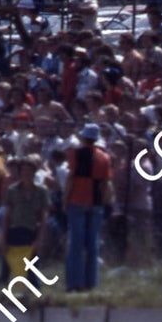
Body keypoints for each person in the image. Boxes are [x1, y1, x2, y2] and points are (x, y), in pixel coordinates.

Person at [64, 123, 111, 292]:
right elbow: (105, 183)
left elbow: (71, 178)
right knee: (92, 244)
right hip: (96, 203)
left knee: (76, 244)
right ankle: (90, 282)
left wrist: (65, 199)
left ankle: (73, 283)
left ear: (84, 137)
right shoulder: (104, 157)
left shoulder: (76, 154)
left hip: (77, 200)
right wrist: (105, 202)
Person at [0, 155, 49, 284]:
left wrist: (40, 238)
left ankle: (34, 290)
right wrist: (2, 237)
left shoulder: (41, 191)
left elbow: (43, 216)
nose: (26, 173)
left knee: (32, 263)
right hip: (14, 229)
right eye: (24, 170)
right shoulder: (12, 190)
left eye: (29, 170)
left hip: (31, 229)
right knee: (7, 262)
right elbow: (7, 214)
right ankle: (1, 290)